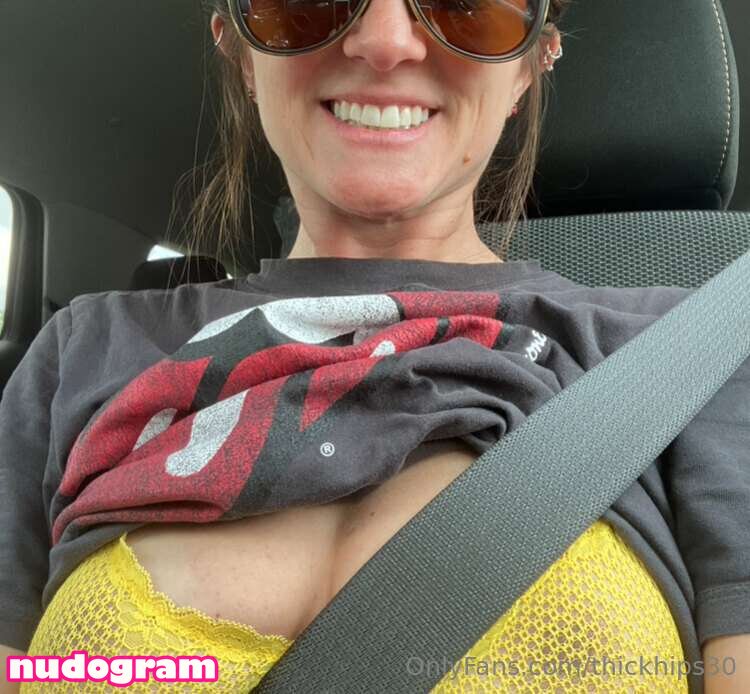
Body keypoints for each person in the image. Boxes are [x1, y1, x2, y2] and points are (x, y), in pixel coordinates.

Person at [1, 0, 748, 692]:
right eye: (310, 0)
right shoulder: (82, 351)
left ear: (528, 65)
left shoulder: (695, 355)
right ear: (241, 53)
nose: (385, 42)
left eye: (464, 3)